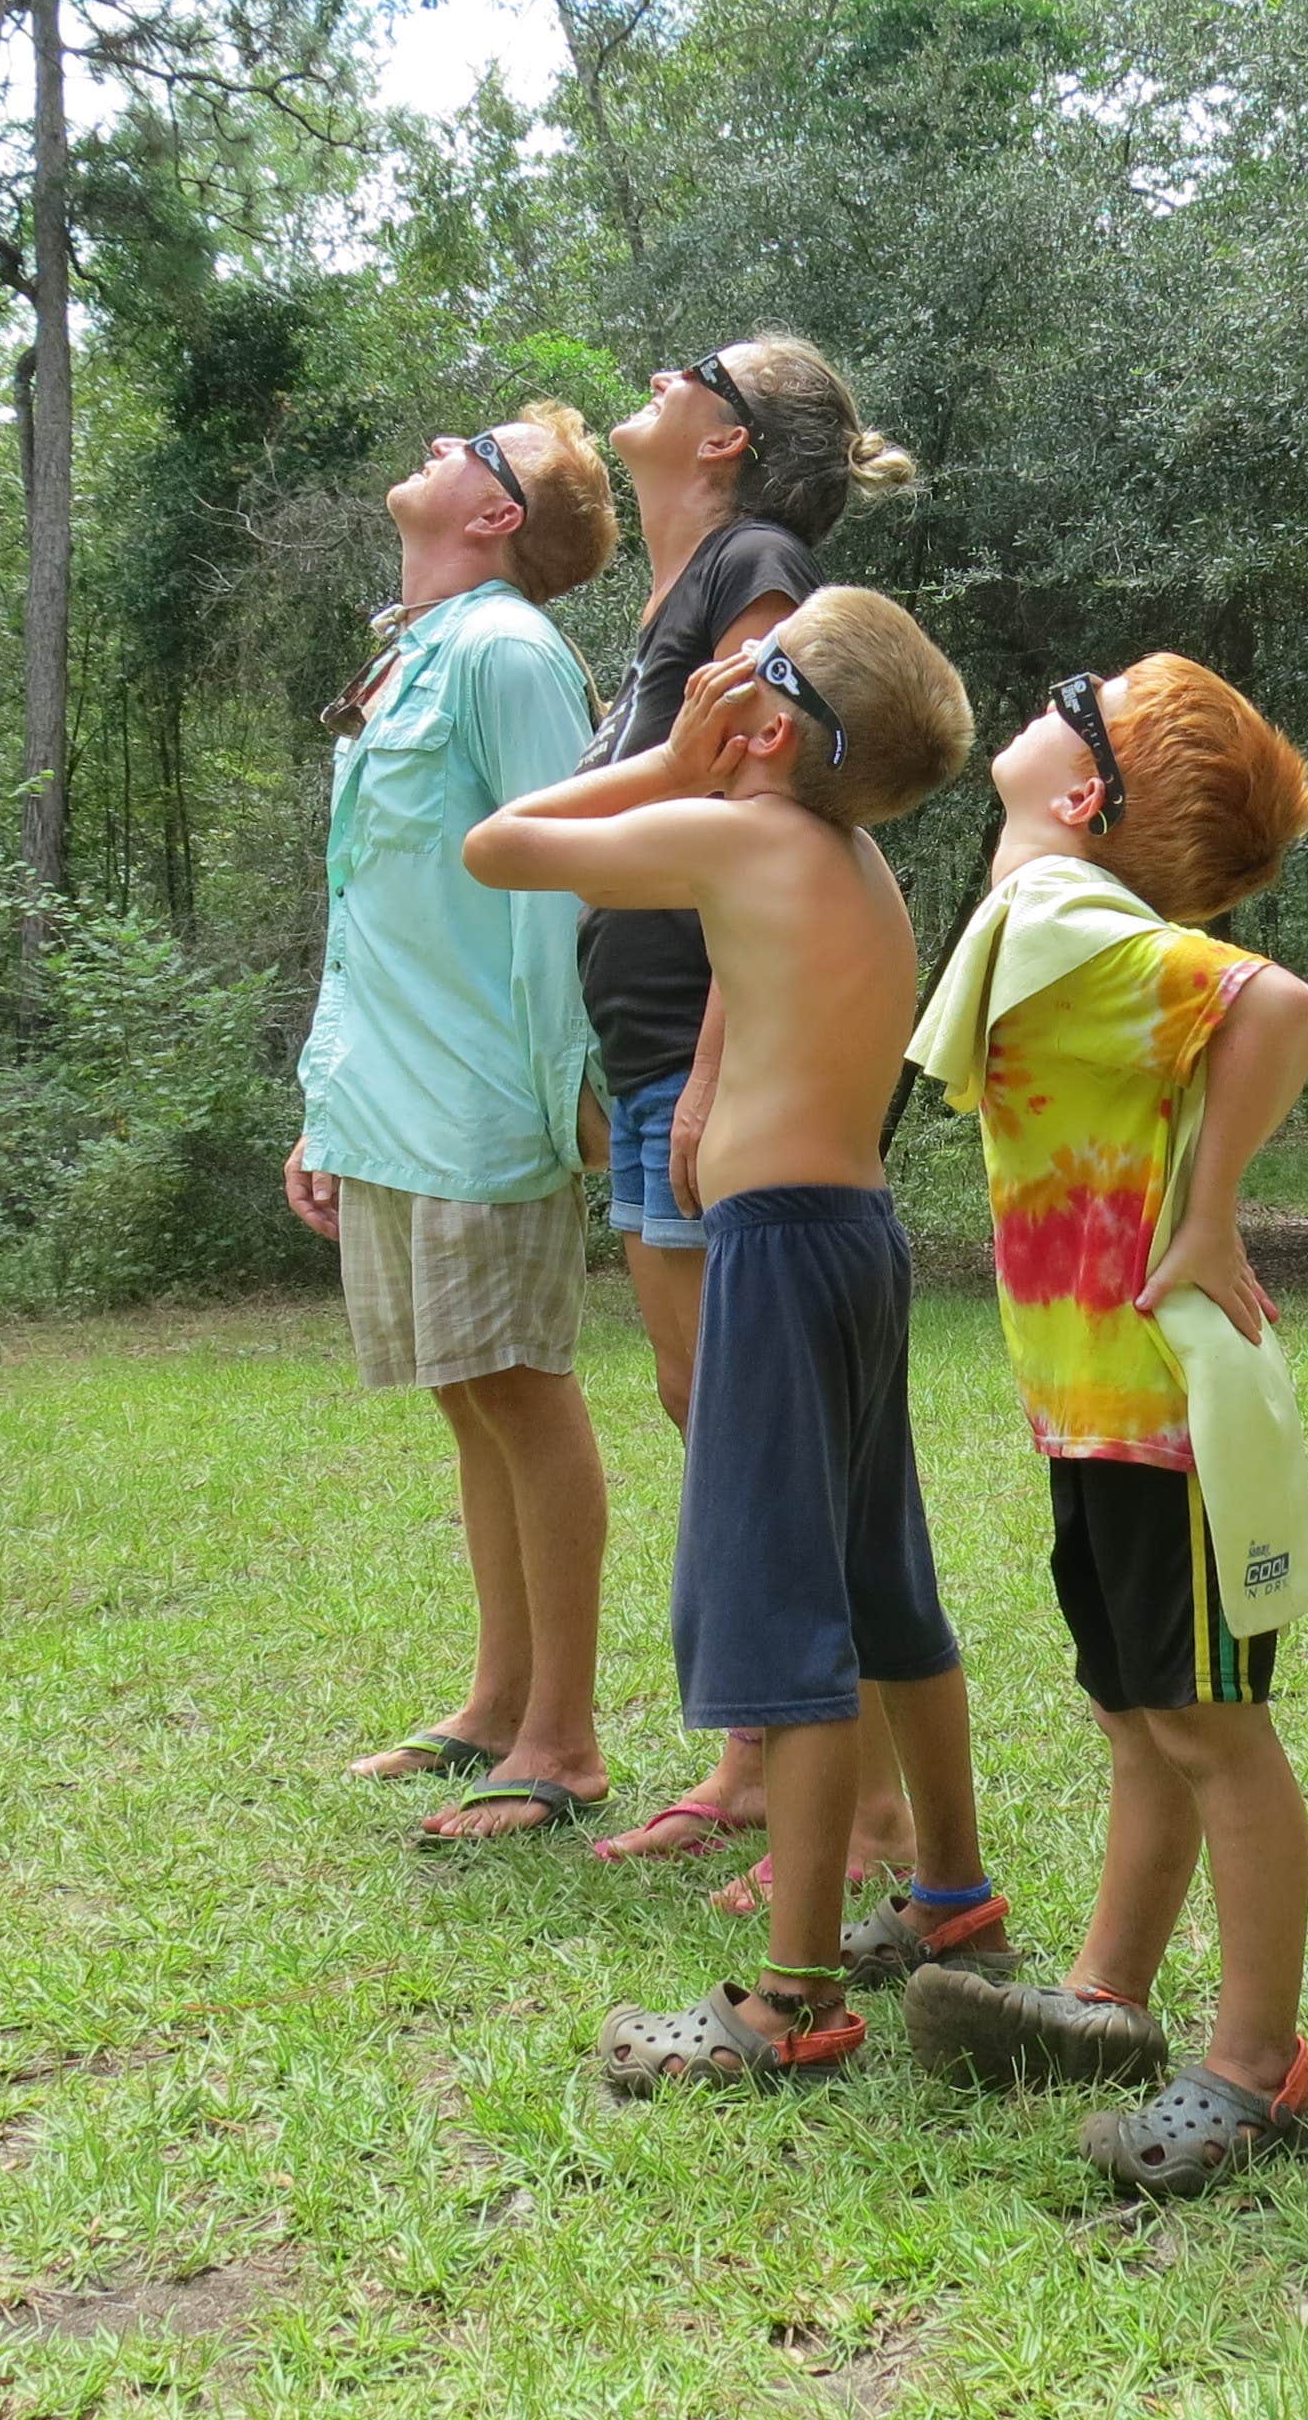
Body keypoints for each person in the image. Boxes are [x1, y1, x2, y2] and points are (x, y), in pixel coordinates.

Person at [463, 589, 1020, 2086]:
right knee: (883, 1586)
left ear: (764, 723)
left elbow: (499, 846)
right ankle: (952, 1901)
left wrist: (668, 762)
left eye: (735, 684)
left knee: (789, 1626)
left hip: (775, 1259)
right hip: (861, 1244)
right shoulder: (861, 862)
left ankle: (795, 2000)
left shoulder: (738, 831)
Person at [894, 655, 1308, 2196]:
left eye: (1066, 700)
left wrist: (1210, 1216)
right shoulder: (1043, 925)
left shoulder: (1073, 915)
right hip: (1098, 1406)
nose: (1037, 701)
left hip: (1171, 1411)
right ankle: (1103, 2001)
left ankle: (1257, 2065)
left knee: (1211, 1726)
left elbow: (1280, 1002)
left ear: (1081, 795)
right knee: (1141, 1716)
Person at [576, 335, 926, 1901]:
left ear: (725, 436)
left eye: (687, 368)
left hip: (708, 1066)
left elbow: (774, 800)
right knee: (702, 1411)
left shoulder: (758, 567)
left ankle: (850, 1820)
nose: (653, 376)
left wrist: (714, 1078)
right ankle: (752, 1766)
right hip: (646, 1049)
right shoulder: (679, 586)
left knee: (758, 1445)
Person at [287, 402, 625, 1846]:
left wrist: (574, 1094)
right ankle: (493, 1703)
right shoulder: (413, 651)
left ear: (496, 519)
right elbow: (368, 904)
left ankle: (563, 1744)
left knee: (520, 1382)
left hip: (490, 1093)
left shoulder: (502, 652)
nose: (441, 442)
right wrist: (323, 1096)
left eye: (473, 446)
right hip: (392, 1097)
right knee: (466, 1392)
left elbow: (566, 875)